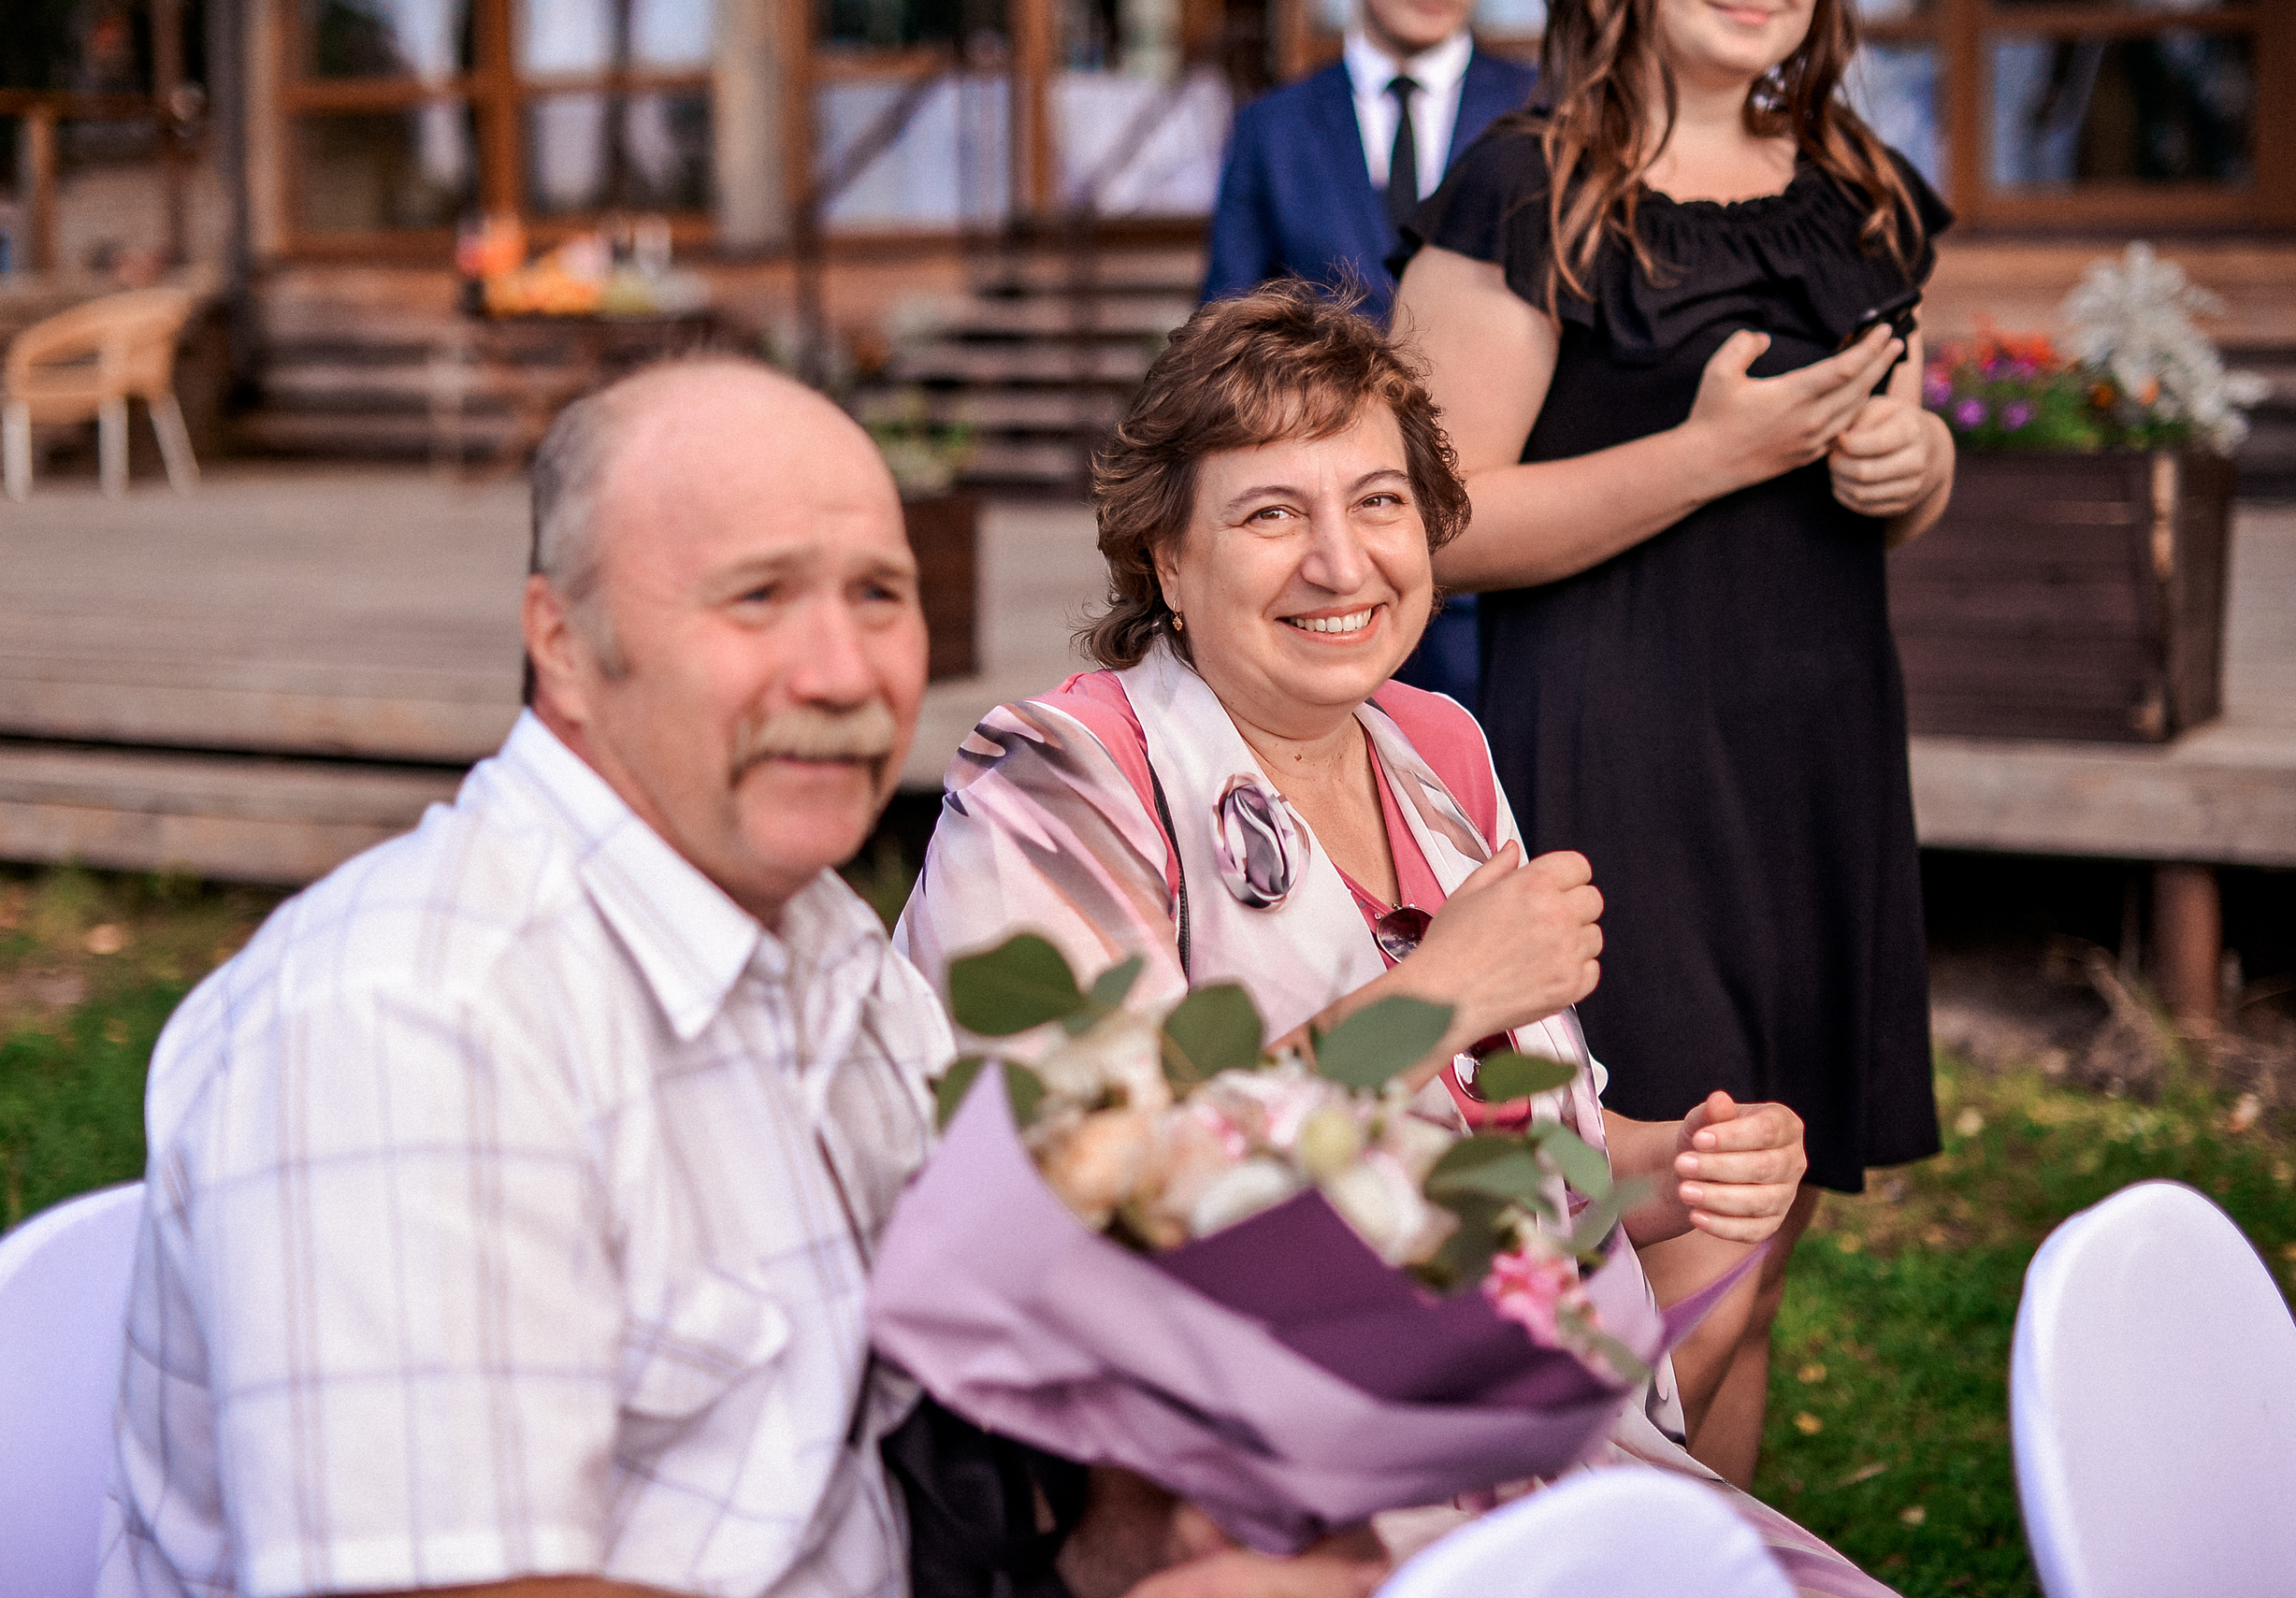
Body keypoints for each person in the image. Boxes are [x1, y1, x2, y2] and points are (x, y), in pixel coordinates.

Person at [99, 358, 1379, 1598]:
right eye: (757, 598)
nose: (840, 672)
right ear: (564, 641)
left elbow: (929, 1442)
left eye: (879, 595)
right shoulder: (411, 1023)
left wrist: (1151, 1531)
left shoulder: (819, 939)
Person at [896, 283, 1895, 1598]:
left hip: (1517, 1442)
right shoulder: (1062, 777)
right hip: (1244, 1504)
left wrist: (1670, 1169)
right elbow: (1081, 1187)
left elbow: (1511, 1167)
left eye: (1378, 501)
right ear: (1164, 562)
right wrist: (1431, 999)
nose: (1341, 561)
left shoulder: (1438, 750)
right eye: (1271, 513)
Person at [1388, 0, 1954, 1489]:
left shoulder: (1860, 184)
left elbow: (1901, 443)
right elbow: (1428, 528)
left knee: (1760, 1266)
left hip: (1817, 776)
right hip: (1620, 775)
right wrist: (1713, 456)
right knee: (1677, 1275)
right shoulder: (1529, 190)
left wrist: (1919, 462)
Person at [1202, 0, 1536, 707]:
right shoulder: (1273, 128)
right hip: (1330, 578)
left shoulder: (1544, 108)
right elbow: (1222, 343)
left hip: (1505, 583)